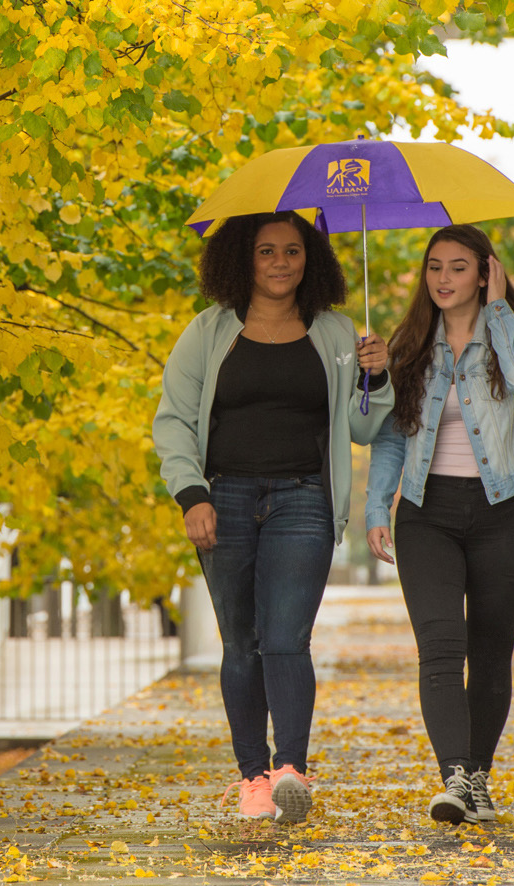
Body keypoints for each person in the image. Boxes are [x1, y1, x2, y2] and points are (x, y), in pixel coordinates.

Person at [153, 210, 393, 823]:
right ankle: (252, 778)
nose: (281, 262)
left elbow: (365, 428)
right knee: (242, 645)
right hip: (223, 498)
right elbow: (174, 421)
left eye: (292, 251)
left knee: (287, 639)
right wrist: (191, 494)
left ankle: (291, 768)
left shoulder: (339, 336)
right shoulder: (208, 332)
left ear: (311, 258)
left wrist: (377, 374)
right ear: (244, 258)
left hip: (304, 500)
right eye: (267, 251)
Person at [364, 224, 514, 825]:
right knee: (440, 647)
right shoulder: (410, 344)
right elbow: (389, 435)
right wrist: (376, 508)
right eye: (434, 267)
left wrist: (498, 309)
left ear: (485, 272)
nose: (443, 279)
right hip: (428, 513)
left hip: (506, 512)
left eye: (458, 267)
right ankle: (455, 778)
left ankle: (477, 779)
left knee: (490, 652)